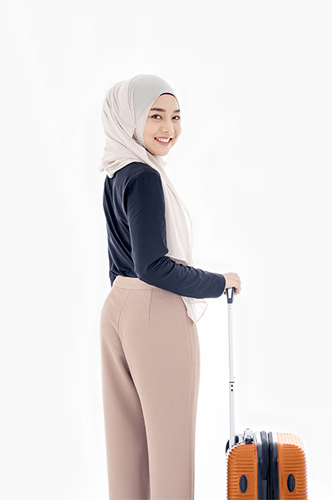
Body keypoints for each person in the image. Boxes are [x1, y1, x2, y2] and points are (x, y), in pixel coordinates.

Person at [98, 74, 241, 500]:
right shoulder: (143, 176)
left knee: (128, 451)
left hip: (116, 308)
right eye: (156, 116)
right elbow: (154, 266)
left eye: (176, 117)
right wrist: (218, 283)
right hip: (154, 314)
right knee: (171, 452)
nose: (169, 128)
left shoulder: (115, 171)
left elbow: (121, 260)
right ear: (131, 119)